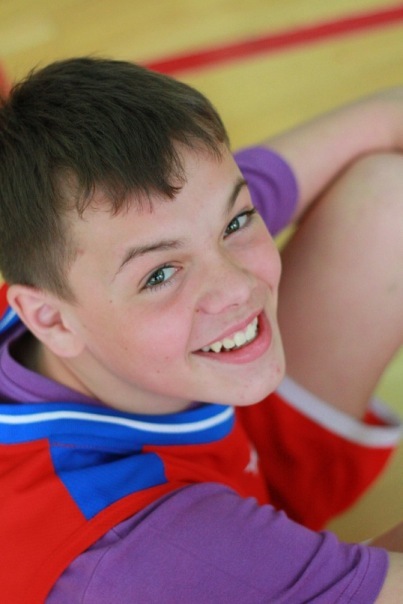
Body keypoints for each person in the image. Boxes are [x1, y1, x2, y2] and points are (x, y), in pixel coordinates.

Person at [0, 57, 403, 603]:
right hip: (186, 559)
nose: (237, 287)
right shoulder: (136, 553)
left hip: (214, 472)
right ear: (50, 319)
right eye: (160, 275)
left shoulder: (84, 270)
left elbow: (386, 116)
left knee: (390, 197)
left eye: (235, 222)